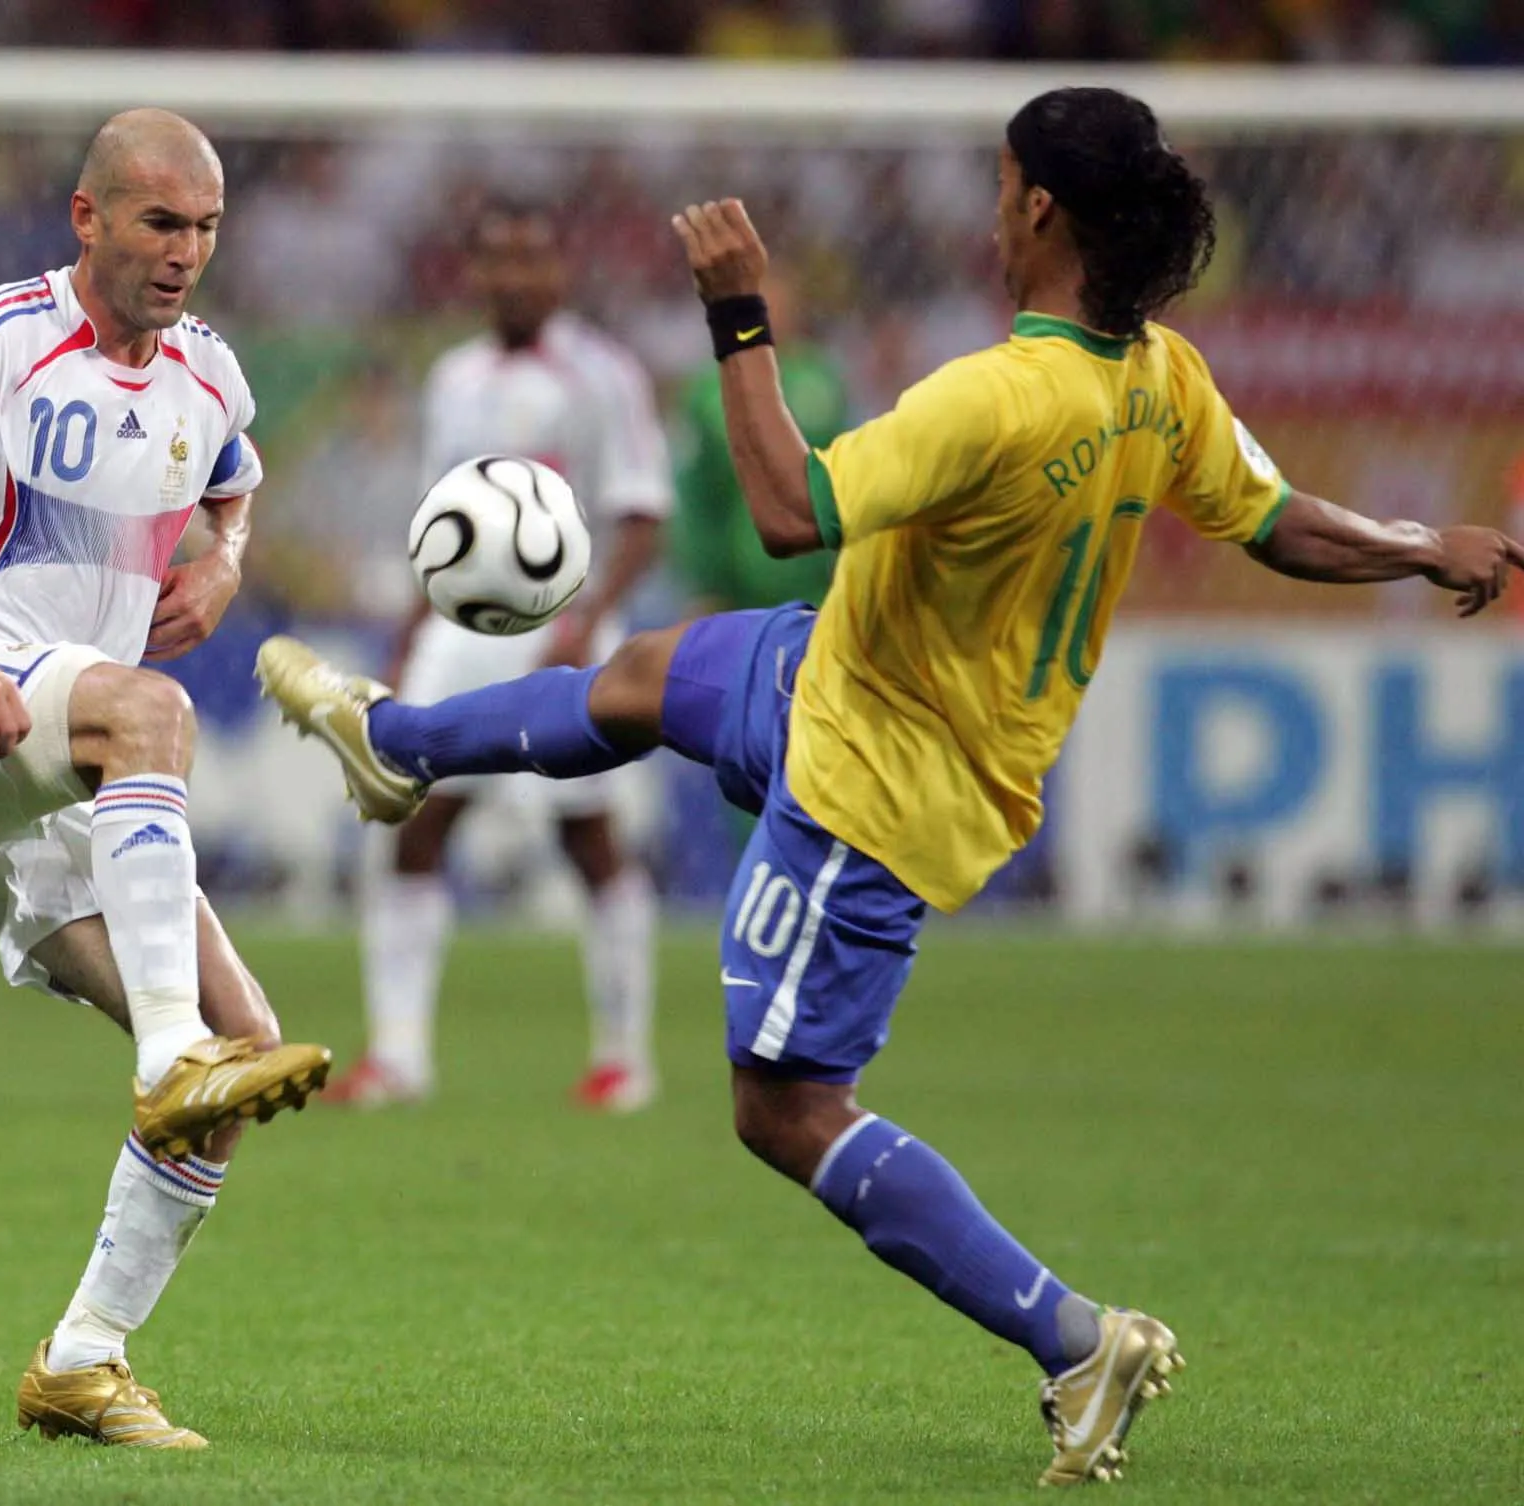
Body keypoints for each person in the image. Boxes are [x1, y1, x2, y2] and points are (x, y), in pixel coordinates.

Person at [257, 87, 1524, 1486]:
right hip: (836, 672)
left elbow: (792, 509)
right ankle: (404, 746)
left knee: (784, 1105)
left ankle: (1076, 1340)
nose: (988, 209)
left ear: (1037, 206)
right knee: (636, 679)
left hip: (879, 777)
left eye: (997, 183)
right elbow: (1278, 521)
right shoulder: (1160, 377)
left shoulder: (998, 395)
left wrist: (739, 319)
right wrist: (1418, 544)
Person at [0, 109, 334, 1451]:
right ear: (88, 217)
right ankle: (167, 1054)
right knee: (150, 711)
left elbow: (233, 484)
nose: (186, 254)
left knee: (247, 1048)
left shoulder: (211, 376)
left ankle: (83, 1358)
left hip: (46, 771)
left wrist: (224, 557)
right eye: (162, 223)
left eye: (208, 229)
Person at [324, 195, 675, 1113]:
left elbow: (642, 515)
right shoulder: (455, 378)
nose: (515, 277)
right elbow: (439, 525)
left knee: (585, 834)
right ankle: (400, 1056)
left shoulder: (604, 375)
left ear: (562, 269)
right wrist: (407, 638)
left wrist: (588, 618)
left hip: (565, 626)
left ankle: (623, 1057)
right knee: (415, 819)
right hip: (460, 632)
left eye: (533, 258)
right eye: (498, 260)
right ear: (474, 273)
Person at [670, 264, 843, 612]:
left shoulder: (823, 381)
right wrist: (706, 581)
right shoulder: (706, 391)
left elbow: (845, 478)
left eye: (780, 304)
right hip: (733, 594)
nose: (772, 315)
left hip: (817, 588)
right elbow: (695, 494)